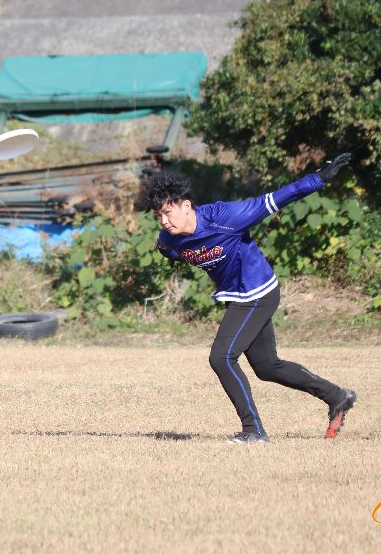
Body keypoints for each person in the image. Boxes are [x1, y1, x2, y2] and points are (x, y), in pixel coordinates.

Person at [139, 154, 357, 443]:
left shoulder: (226, 217)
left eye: (168, 212)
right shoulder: (169, 241)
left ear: (187, 206)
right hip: (238, 297)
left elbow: (278, 198)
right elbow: (171, 251)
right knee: (267, 367)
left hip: (256, 292)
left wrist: (318, 179)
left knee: (221, 358)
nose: (164, 221)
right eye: (158, 216)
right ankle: (337, 396)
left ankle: (253, 430)